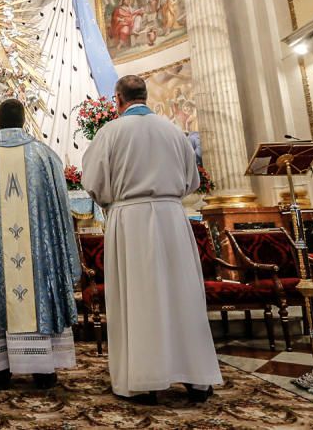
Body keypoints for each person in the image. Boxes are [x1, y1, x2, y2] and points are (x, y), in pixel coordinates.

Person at [81, 75, 222, 404]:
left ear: (118, 99)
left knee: (138, 298)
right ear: (144, 95)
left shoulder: (111, 132)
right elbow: (191, 180)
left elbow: (94, 181)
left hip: (131, 220)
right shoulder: (173, 130)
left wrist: (110, 200)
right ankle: (196, 378)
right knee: (181, 295)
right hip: (173, 218)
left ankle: (143, 382)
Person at [0, 99, 81, 390]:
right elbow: (60, 213)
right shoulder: (44, 156)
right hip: (38, 258)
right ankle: (43, 369)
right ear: (23, 121)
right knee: (36, 290)